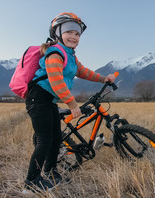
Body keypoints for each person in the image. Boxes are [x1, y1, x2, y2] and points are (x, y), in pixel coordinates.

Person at [23, 12, 116, 193]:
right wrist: (73, 105)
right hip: (38, 99)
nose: (74, 36)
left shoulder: (69, 55)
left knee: (56, 139)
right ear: (57, 33)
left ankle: (50, 172)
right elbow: (56, 82)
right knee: (44, 140)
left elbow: (83, 72)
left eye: (77, 33)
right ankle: (32, 181)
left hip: (49, 101)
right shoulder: (54, 53)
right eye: (69, 32)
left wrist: (104, 78)